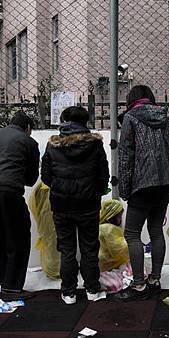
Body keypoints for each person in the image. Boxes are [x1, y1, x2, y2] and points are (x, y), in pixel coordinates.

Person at [115, 85, 169, 301]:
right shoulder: (164, 119)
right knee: (155, 231)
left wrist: (124, 189)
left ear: (131, 99)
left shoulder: (130, 118)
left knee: (132, 234)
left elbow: (125, 156)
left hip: (141, 185)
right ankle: (155, 279)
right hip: (164, 183)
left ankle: (139, 285)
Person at [41, 106, 110, 305]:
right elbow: (103, 175)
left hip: (61, 205)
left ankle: (69, 293)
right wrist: (94, 191)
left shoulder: (53, 145)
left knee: (67, 249)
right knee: (90, 247)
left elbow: (46, 176)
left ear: (63, 121)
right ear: (85, 121)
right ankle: (92, 289)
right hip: (88, 204)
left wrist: (59, 187)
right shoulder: (95, 144)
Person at [0, 112, 39, 300]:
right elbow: (31, 179)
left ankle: (2, 282)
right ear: (28, 128)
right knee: (18, 239)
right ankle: (11, 289)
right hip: (9, 193)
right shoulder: (28, 142)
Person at [28, 181, 61, 280]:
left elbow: (32, 202)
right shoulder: (44, 187)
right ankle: (55, 270)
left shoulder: (44, 185)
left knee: (52, 243)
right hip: (49, 218)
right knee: (52, 242)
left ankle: (55, 270)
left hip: (49, 218)